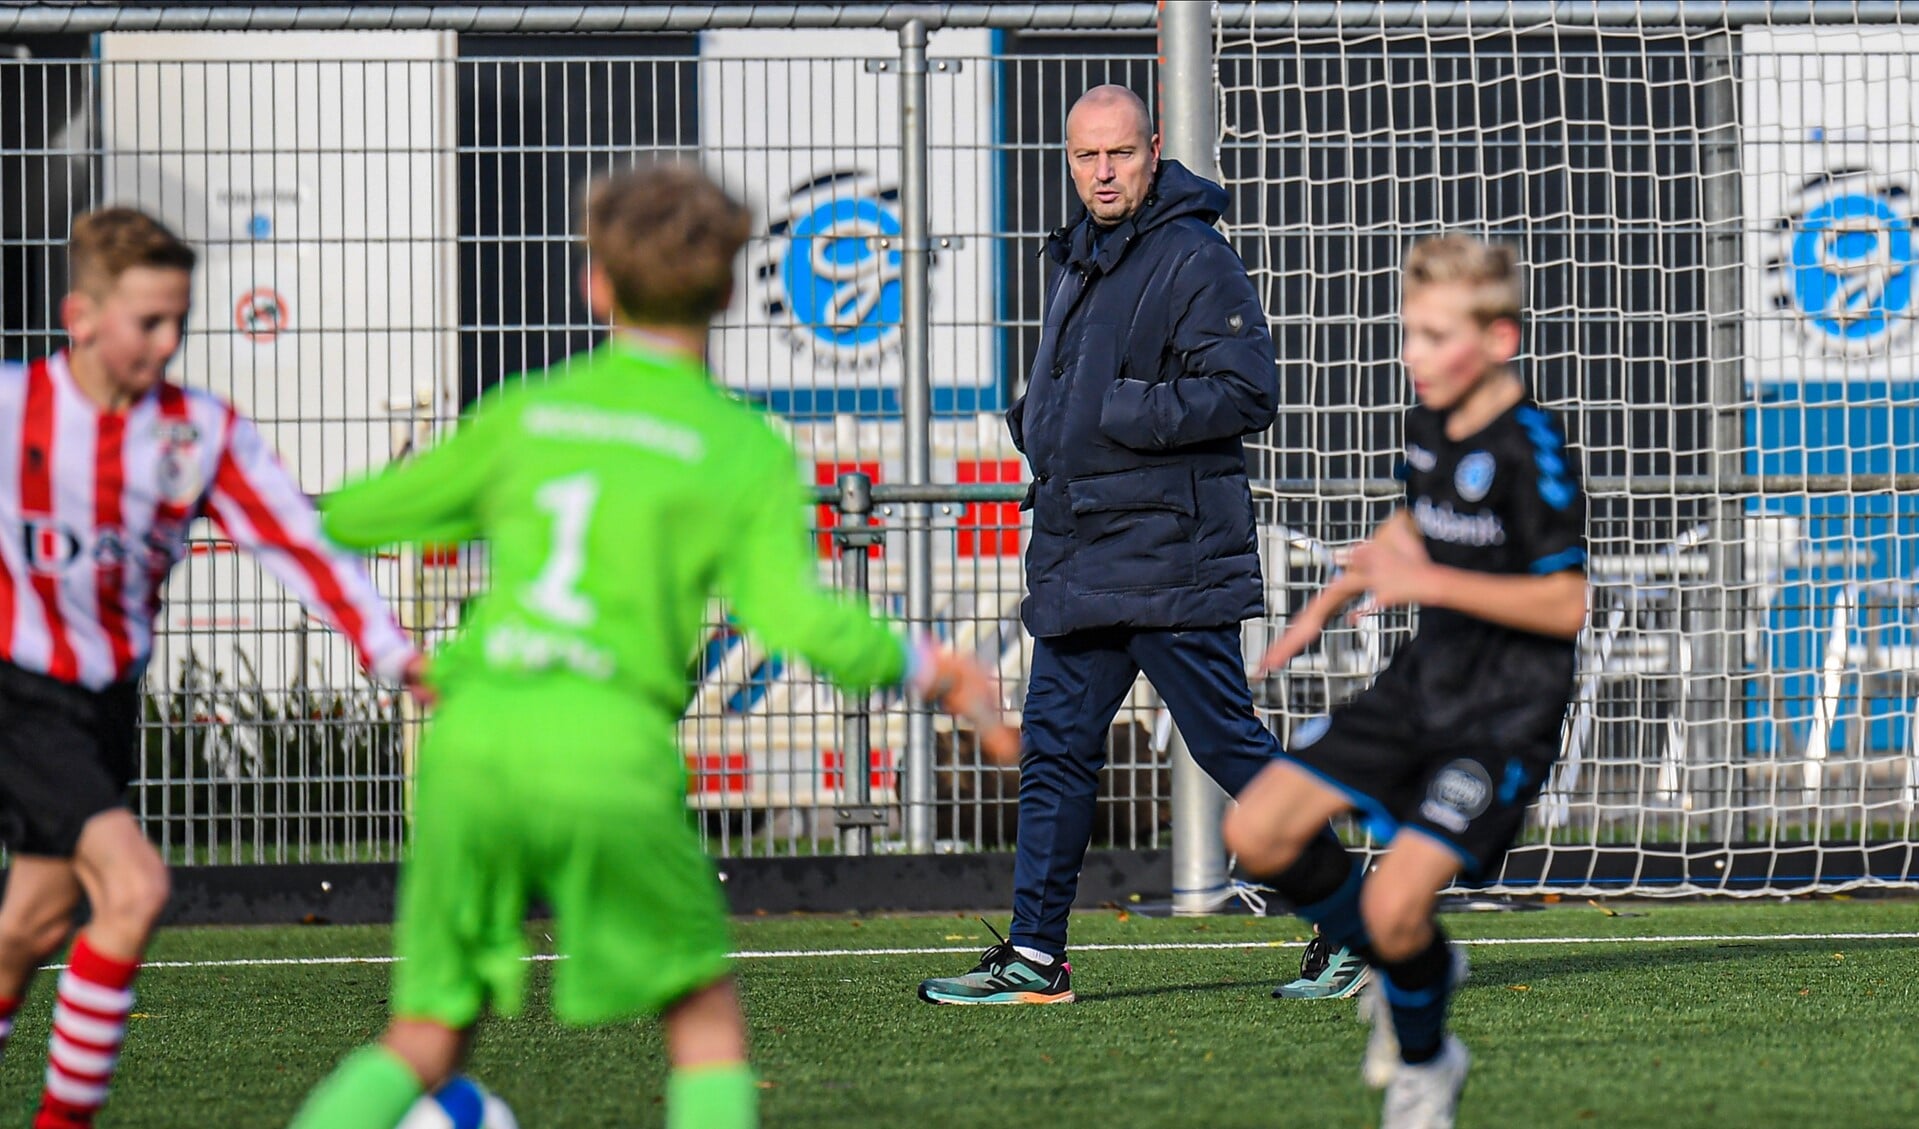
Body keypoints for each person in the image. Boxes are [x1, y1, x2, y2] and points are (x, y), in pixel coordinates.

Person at [289, 162, 1013, 1129]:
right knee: (701, 1019)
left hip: (475, 741)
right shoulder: (736, 446)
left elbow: (356, 516)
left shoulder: (528, 410)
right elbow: (801, 620)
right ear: (724, 292)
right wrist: (938, 667)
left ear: (595, 281)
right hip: (607, 750)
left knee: (424, 1033)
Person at [916, 84, 1354, 1006]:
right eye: (1085, 157)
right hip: (1084, 554)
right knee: (1055, 750)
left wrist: (1117, 412)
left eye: (1118, 153)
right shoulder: (1078, 257)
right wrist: (1037, 419)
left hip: (1168, 556)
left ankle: (1358, 924)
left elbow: (1246, 392)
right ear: (1068, 161)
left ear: (1152, 149)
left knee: (1226, 744)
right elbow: (1071, 393)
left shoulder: (1195, 253)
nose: (1103, 172)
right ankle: (1036, 956)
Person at [0, 207, 420, 1129]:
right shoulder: (13, 411)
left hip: (103, 705)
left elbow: (297, 542)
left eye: (178, 321)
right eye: (147, 321)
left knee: (26, 932)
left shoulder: (195, 433)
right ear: (81, 315)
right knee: (136, 886)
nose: (168, 342)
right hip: (17, 690)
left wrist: (391, 648)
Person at [1222, 235, 1588, 1129]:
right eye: (1407, 332)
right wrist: (1322, 604)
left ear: (1497, 338)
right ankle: (1408, 967)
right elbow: (1411, 524)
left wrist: (1429, 583)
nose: (1409, 355)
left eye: (1432, 336)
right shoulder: (1430, 422)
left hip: (1502, 717)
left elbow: (1564, 603)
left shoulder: (1530, 446)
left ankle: (1427, 1064)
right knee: (1257, 828)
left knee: (1393, 908)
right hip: (1418, 688)